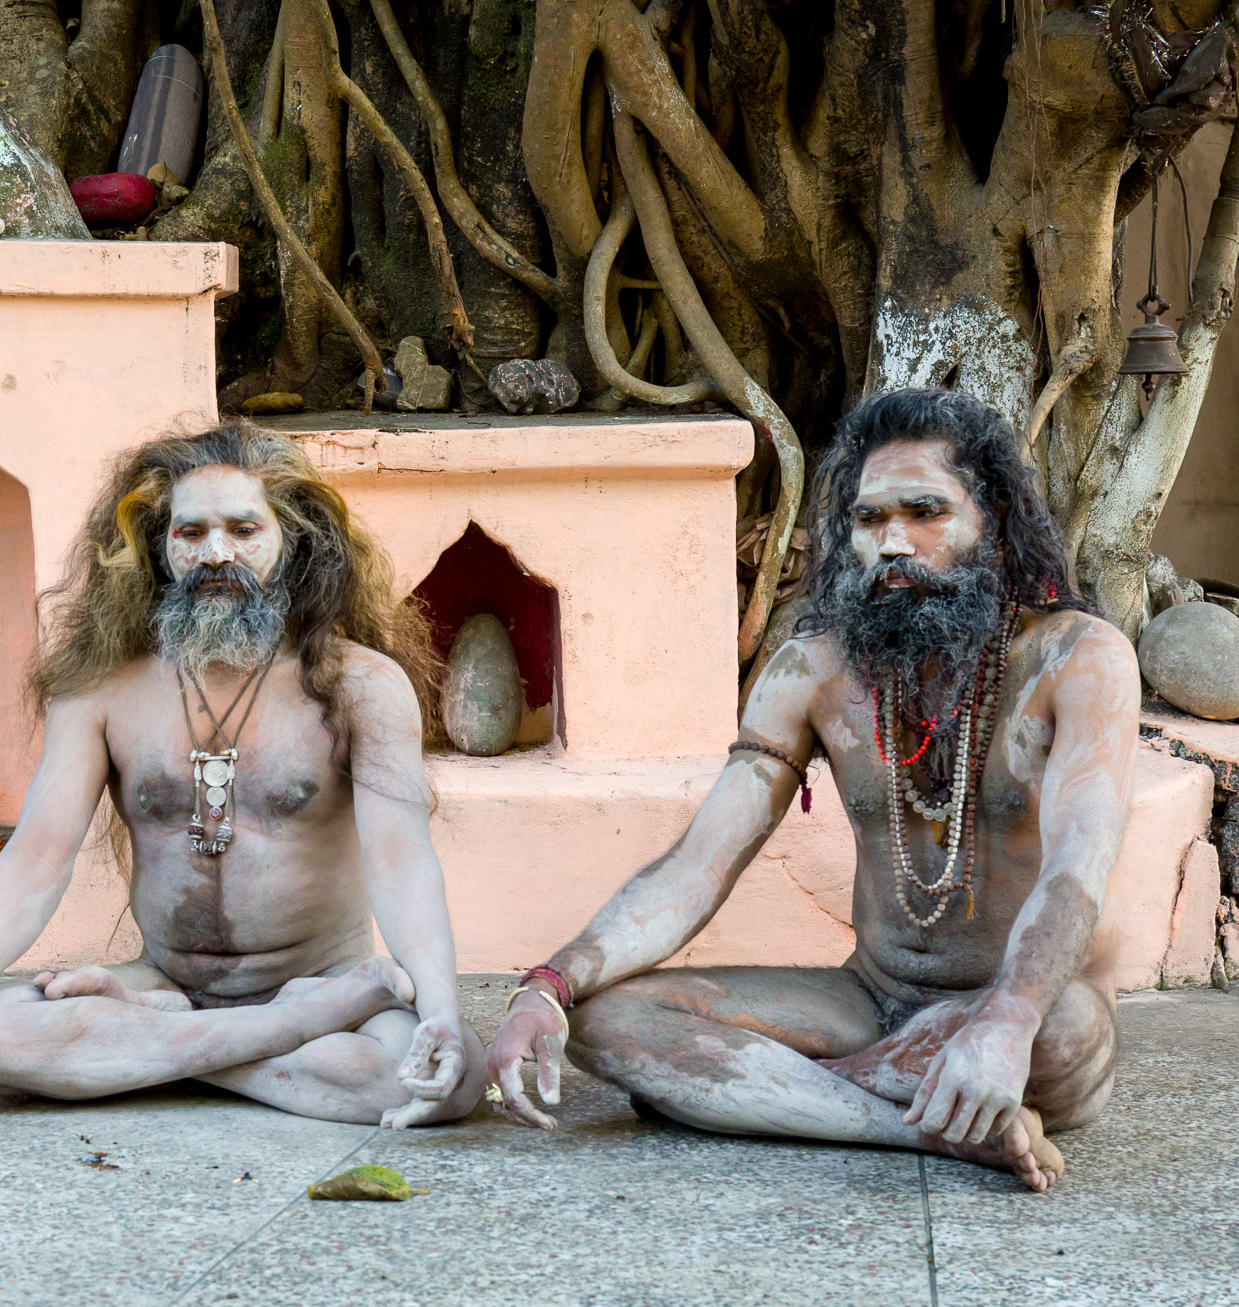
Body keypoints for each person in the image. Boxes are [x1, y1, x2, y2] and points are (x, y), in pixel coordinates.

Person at [487, 389, 1138, 1193]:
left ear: (994, 519)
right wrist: (548, 984)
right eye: (869, 520)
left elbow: (1081, 863)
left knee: (1067, 1031)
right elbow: (697, 866)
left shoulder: (1079, 660)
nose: (893, 542)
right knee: (606, 1020)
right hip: (869, 995)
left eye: (926, 510)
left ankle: (788, 1094)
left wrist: (1005, 1019)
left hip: (1020, 1006)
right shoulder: (815, 667)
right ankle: (919, 1128)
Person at [0, 426, 483, 1130]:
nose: (215, 553)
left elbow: (401, 860)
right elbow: (39, 855)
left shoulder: (363, 687)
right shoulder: (101, 690)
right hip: (167, 982)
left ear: (294, 540)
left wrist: (438, 1012)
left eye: (243, 528)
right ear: (156, 548)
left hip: (315, 977)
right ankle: (273, 1037)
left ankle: (144, 1054)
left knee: (441, 1074)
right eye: (190, 531)